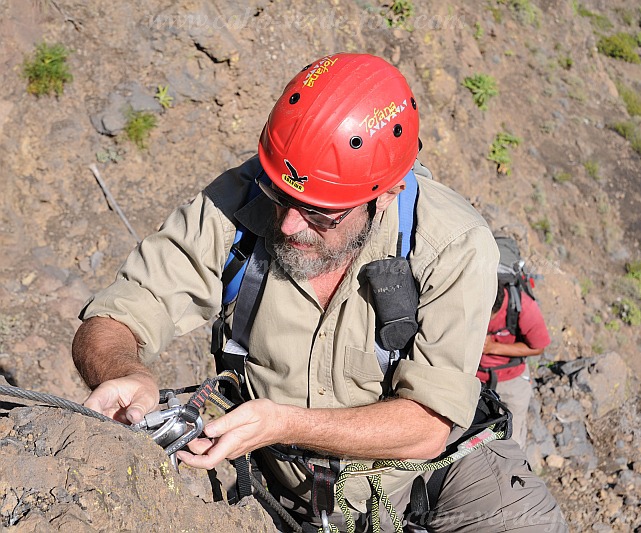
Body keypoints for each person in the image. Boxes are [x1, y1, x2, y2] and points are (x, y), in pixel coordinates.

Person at [72, 53, 566, 532]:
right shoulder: (240, 201)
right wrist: (123, 372)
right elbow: (121, 313)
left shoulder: (450, 245)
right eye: (281, 196)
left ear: (387, 191)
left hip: (422, 478)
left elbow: (428, 425)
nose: (287, 224)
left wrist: (283, 424)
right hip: (277, 473)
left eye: (319, 212)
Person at [478, 281, 551, 449]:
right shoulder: (468, 299)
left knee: (513, 440)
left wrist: (493, 347)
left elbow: (538, 347)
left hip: (510, 377)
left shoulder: (523, 307)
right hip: (473, 375)